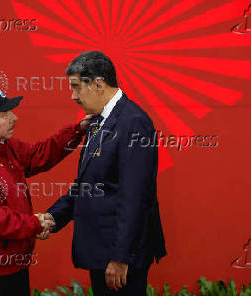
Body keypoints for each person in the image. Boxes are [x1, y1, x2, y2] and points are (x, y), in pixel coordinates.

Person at [39, 51, 167, 295]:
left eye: (77, 87)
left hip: (119, 259)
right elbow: (88, 184)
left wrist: (121, 257)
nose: (73, 96)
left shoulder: (133, 122)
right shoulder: (98, 121)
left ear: (99, 83)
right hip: (102, 254)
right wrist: (54, 217)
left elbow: (135, 197)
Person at [0, 87, 92, 296]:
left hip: (12, 264)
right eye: (5, 114)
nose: (14, 118)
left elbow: (36, 155)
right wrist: (34, 224)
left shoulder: (2, 146)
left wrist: (77, 131)